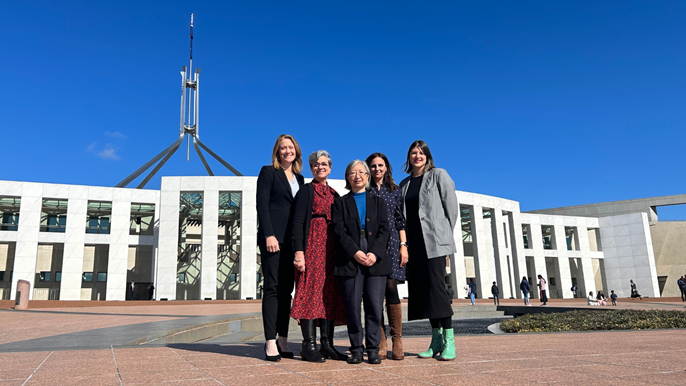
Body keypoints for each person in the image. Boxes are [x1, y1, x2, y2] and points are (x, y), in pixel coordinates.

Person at [399, 140, 458, 361]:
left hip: (434, 243)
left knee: (437, 290)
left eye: (421, 152)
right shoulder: (404, 184)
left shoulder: (438, 175)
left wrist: (445, 237)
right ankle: (435, 341)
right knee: (425, 293)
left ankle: (449, 341)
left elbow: (451, 209)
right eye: (413, 153)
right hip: (414, 245)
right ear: (409, 157)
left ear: (427, 155)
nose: (417, 156)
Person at [291, 150, 347, 363]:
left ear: (330, 168)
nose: (320, 167)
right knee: (310, 293)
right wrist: (299, 253)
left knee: (328, 295)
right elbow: (297, 222)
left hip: (331, 252)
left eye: (324, 164)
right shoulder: (306, 191)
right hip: (312, 249)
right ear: (311, 168)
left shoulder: (334, 194)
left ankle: (327, 344)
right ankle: (308, 345)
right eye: (315, 164)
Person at [333, 159, 391, 365]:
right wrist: (355, 252)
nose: (357, 176)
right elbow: (338, 231)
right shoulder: (340, 202)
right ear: (348, 178)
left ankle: (373, 349)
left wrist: (374, 253)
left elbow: (385, 230)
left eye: (361, 172)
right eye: (352, 173)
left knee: (375, 306)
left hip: (375, 258)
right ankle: (356, 348)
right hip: (351, 257)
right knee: (352, 306)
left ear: (367, 176)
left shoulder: (378, 202)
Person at [257, 134, 306, 362]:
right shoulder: (268, 172)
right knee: (272, 288)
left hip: (292, 242)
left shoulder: (301, 178)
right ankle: (269, 340)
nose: (288, 151)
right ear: (277, 151)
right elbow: (262, 205)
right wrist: (269, 234)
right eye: (283, 147)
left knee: (287, 290)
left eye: (291, 147)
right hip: (273, 240)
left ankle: (283, 338)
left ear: (296, 151)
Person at [365, 152, 408, 360]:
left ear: (386, 167)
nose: (377, 169)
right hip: (372, 245)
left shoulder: (395, 190)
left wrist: (403, 245)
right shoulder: (365, 190)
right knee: (375, 293)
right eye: (373, 166)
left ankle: (397, 339)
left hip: (392, 244)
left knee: (391, 287)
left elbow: (400, 220)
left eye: (380, 165)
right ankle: (379, 339)